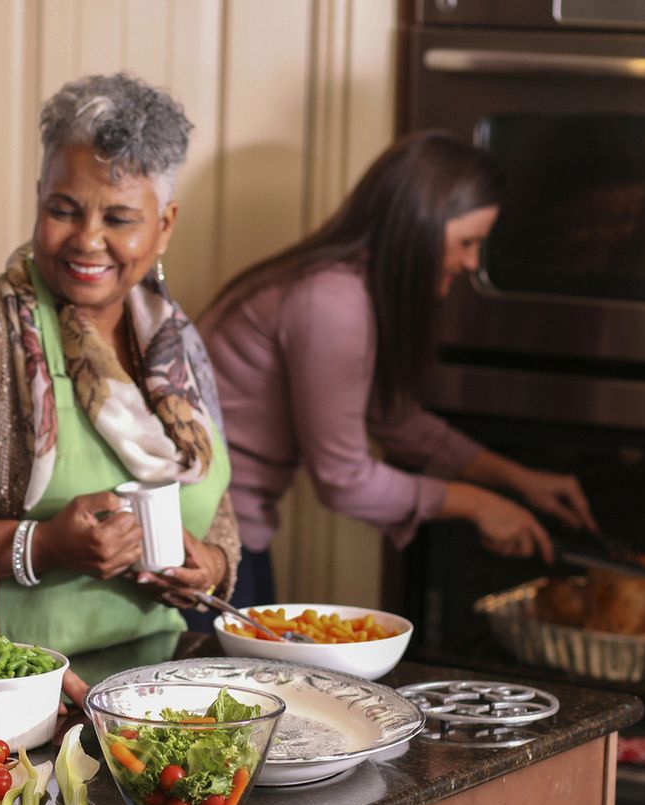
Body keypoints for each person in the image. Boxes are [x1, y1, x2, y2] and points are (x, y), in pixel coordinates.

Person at [0, 74, 240, 691]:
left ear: (164, 225)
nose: (87, 240)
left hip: (150, 686)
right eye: (64, 209)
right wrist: (43, 545)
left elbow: (215, 501)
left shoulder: (174, 340)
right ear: (38, 197)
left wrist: (210, 564)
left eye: (119, 217)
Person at [198, 131, 598, 610]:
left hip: (228, 536)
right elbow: (344, 479)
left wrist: (516, 479)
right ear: (420, 224)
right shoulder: (332, 303)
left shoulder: (347, 287)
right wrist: (475, 504)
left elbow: (397, 420)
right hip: (205, 544)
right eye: (467, 242)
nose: (472, 263)